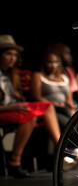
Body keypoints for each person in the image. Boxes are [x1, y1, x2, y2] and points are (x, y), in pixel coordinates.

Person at [0, 34, 62, 178]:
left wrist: (16, 105)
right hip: (5, 110)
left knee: (46, 106)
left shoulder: (11, 74)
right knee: (29, 116)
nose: (12, 58)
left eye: (15, 55)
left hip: (12, 108)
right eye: (8, 54)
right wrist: (14, 107)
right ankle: (14, 161)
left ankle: (60, 146)